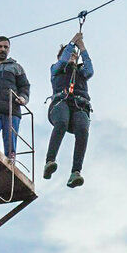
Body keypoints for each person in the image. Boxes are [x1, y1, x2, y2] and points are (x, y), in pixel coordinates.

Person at [43, 32, 93, 188]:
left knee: (83, 130)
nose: (72, 57)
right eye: (69, 54)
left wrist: (82, 47)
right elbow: (63, 60)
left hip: (79, 105)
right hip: (61, 102)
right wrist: (72, 42)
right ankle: (50, 161)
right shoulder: (56, 69)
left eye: (74, 56)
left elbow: (90, 69)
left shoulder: (81, 72)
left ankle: (75, 172)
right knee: (62, 122)